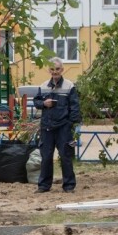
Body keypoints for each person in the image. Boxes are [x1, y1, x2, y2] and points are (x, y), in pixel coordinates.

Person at [33, 57, 80, 194]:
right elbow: (36, 102)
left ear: (62, 69)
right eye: (52, 69)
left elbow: (75, 107)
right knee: (46, 157)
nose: (55, 72)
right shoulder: (43, 86)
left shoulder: (70, 86)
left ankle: (69, 186)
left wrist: (70, 124)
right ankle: (43, 186)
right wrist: (43, 104)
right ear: (49, 70)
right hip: (47, 127)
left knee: (65, 156)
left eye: (57, 69)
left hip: (63, 127)